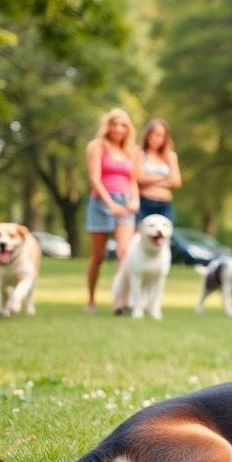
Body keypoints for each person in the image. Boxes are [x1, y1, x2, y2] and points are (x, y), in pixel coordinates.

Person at [85, 108, 139, 312]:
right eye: (114, 124)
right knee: (97, 256)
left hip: (125, 203)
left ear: (128, 129)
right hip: (101, 202)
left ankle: (120, 300)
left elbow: (132, 179)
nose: (118, 128)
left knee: (124, 253)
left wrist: (134, 201)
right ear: (107, 126)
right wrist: (110, 204)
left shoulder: (130, 151)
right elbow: (94, 179)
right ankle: (91, 299)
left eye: (123, 125)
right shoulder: (97, 146)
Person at [134, 119, 181, 223]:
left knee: (164, 237)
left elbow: (176, 182)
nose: (157, 138)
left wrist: (149, 179)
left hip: (165, 205)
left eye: (161, 136)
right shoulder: (139, 153)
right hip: (144, 204)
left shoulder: (170, 156)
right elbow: (139, 178)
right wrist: (164, 177)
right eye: (155, 134)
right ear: (148, 135)